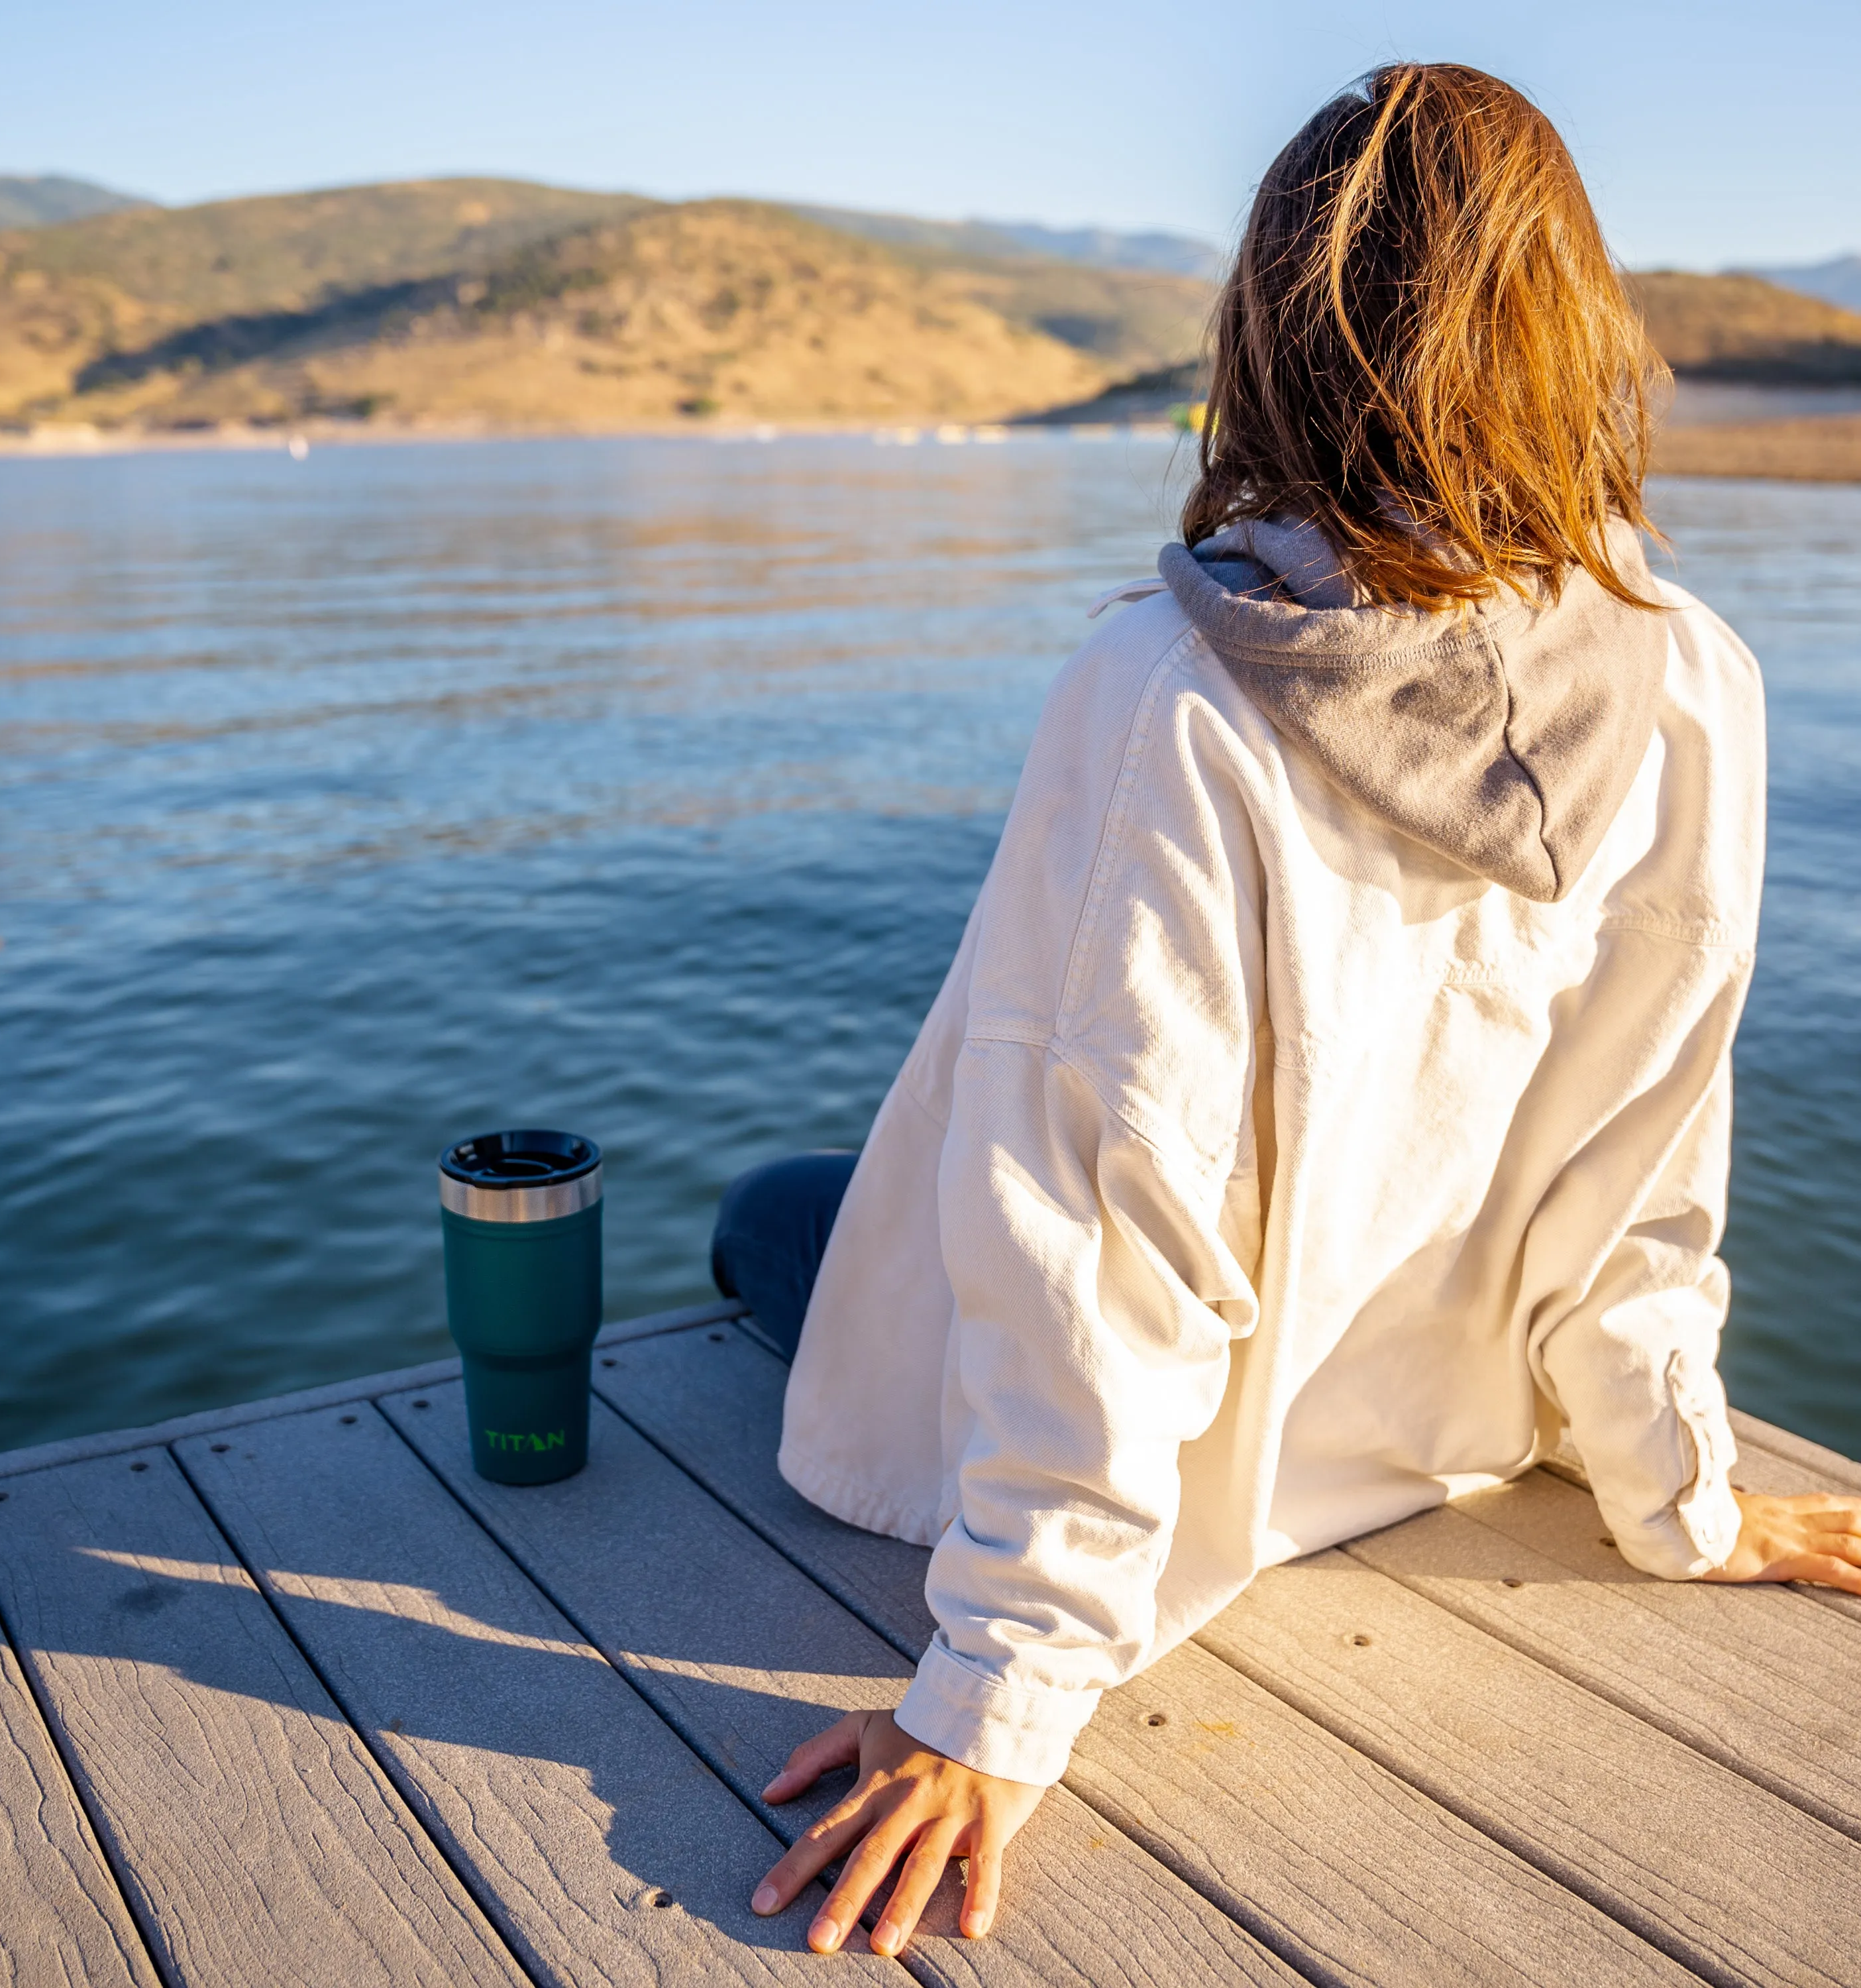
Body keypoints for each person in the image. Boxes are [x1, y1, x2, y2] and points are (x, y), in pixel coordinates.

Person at [715, 62, 1861, 1960]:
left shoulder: (1169, 686)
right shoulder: (1695, 679)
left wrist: (999, 1693)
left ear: (1276, 338)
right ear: (1580, 340)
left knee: (775, 1209)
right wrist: (1684, 1494)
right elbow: (1650, 1166)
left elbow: (1100, 1220)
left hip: (1203, 1493)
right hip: (1444, 1426)